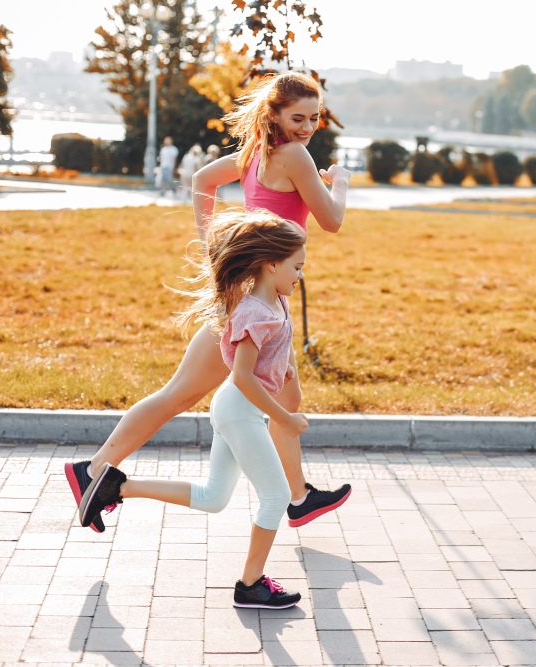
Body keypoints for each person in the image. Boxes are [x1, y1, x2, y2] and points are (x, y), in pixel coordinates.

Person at [64, 71, 352, 534]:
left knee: (287, 391)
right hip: (252, 300)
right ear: (273, 114)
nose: (306, 127)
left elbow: (202, 179)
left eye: (314, 118)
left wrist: (212, 242)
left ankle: (298, 497)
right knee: (178, 395)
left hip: (260, 293)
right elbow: (332, 220)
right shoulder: (295, 155)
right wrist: (339, 181)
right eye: (297, 117)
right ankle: (93, 470)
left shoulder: (259, 153)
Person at [79, 210, 308, 609]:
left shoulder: (277, 301)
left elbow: (272, 353)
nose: (300, 275)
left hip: (238, 411)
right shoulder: (253, 311)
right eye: (297, 266)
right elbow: (241, 376)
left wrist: (284, 367)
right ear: (272, 265)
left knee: (213, 496)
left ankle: (116, 488)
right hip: (239, 409)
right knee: (275, 496)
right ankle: (250, 585)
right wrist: (285, 418)